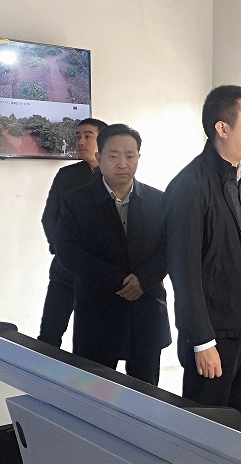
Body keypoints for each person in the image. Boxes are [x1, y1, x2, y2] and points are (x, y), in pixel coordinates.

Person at [165, 85, 241, 437]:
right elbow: (184, 272)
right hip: (214, 333)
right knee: (207, 426)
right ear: (223, 128)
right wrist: (202, 341)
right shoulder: (190, 186)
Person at [54, 123, 171, 384]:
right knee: (96, 393)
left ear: (138, 157)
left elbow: (169, 247)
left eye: (130, 155)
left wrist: (143, 279)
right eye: (113, 155)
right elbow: (68, 252)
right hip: (98, 314)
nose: (122, 163)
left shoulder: (159, 201)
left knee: (145, 395)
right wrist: (118, 281)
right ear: (99, 157)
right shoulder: (76, 201)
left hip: (145, 314)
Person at [37, 117, 107, 348]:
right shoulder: (66, 176)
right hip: (64, 269)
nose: (81, 141)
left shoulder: (114, 176)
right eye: (78, 136)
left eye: (88, 136)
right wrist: (61, 250)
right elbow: (49, 217)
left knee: (92, 340)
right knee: (49, 334)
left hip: (98, 274)